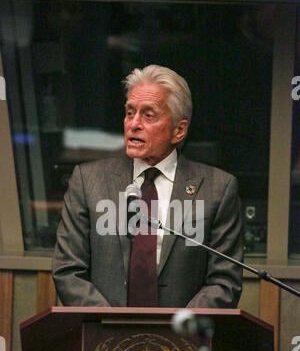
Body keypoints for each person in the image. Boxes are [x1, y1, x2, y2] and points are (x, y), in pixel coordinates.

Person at [52, 64, 243, 308]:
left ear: (179, 130)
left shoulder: (218, 189)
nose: (134, 124)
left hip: (181, 341)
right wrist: (112, 325)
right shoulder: (88, 181)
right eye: (130, 112)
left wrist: (174, 331)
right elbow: (68, 270)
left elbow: (224, 281)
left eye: (148, 115)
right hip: (104, 336)